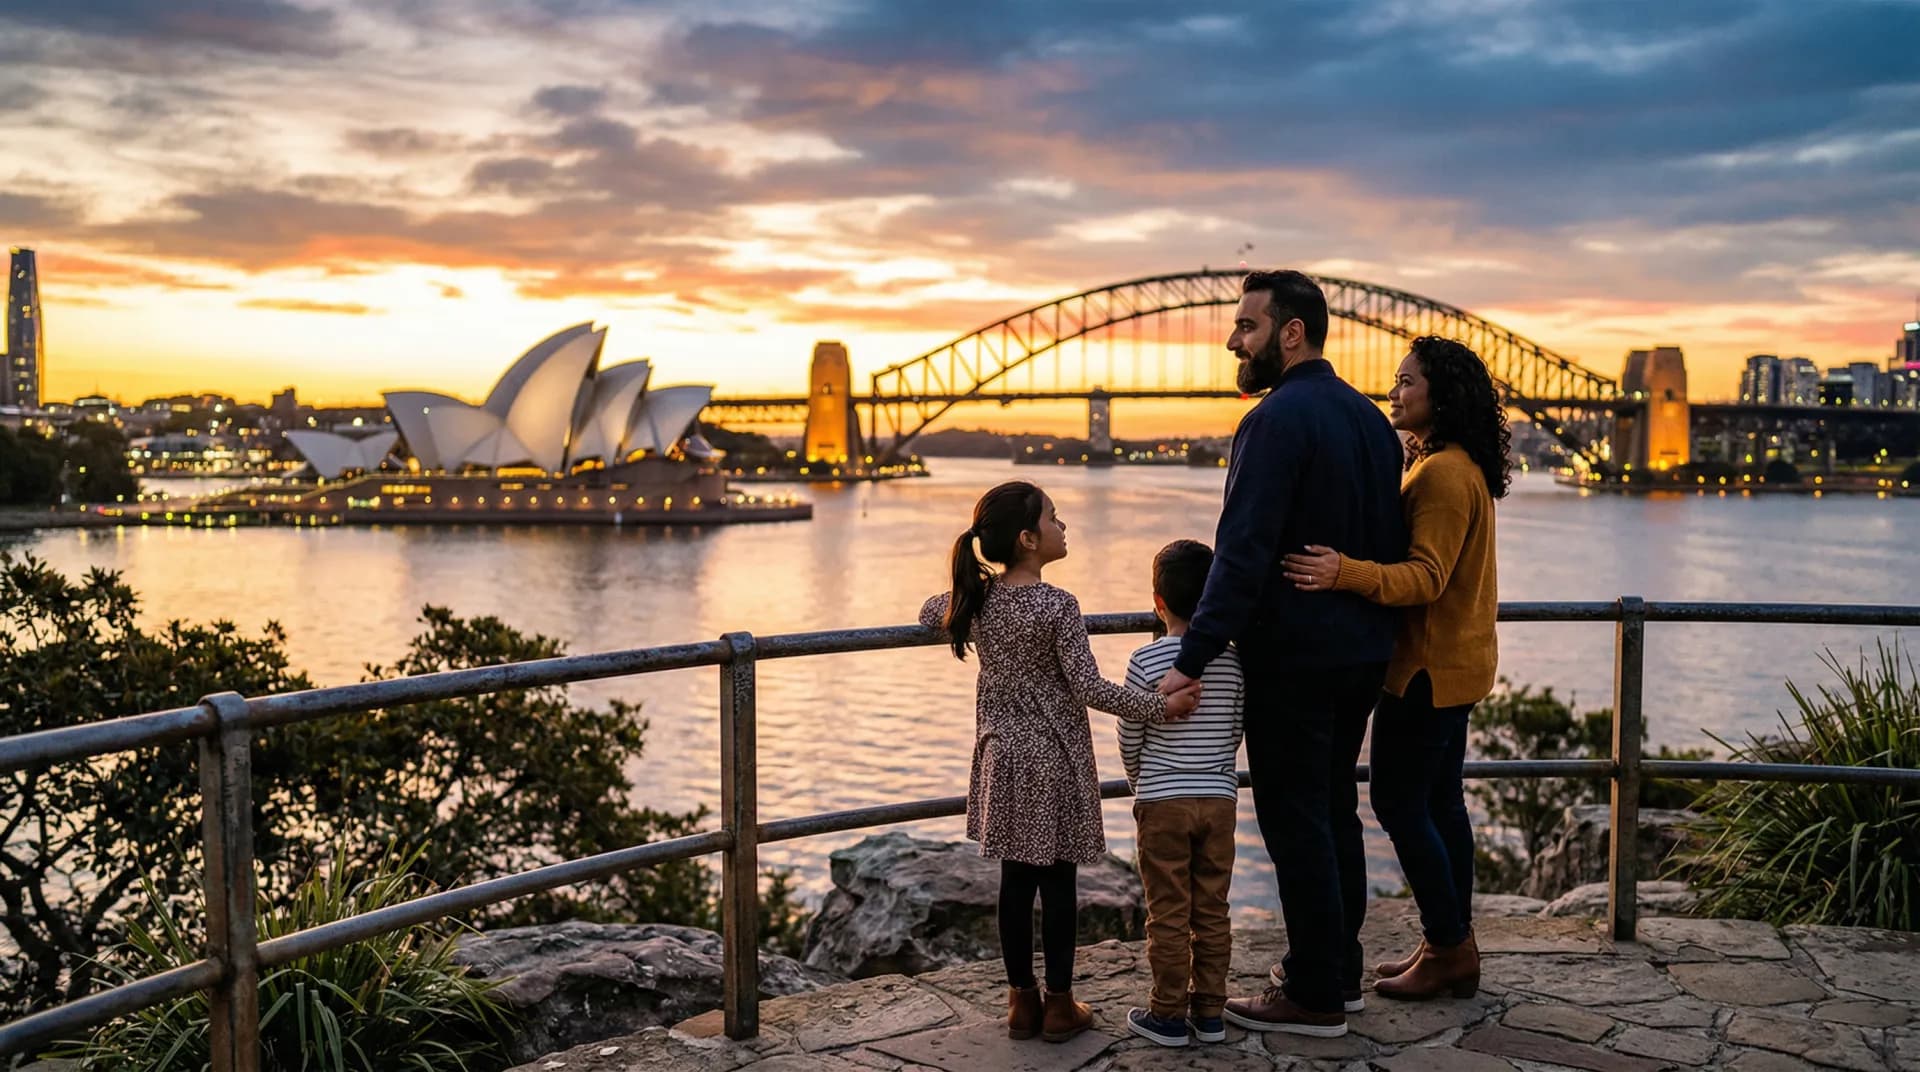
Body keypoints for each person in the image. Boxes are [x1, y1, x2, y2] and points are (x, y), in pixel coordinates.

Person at [1157, 269, 1406, 1038]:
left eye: (1246, 326)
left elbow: (1242, 551)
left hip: (1295, 656)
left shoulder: (1273, 420)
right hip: (1363, 651)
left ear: (1290, 332)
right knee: (1335, 808)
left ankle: (1315, 997)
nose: (1233, 340)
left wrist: (1190, 657)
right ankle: (1338, 970)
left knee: (1296, 819)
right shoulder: (1372, 422)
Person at [919, 480, 1202, 1043]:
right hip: (1055, 759)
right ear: (1028, 539)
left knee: (1015, 884)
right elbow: (1089, 686)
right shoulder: (1058, 605)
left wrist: (967, 589)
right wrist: (1158, 706)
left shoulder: (979, 602)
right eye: (1053, 518)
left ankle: (1020, 1004)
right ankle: (1060, 1005)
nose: (1063, 525)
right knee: (1059, 885)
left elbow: (931, 611)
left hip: (1003, 759)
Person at [1280, 335, 1509, 1001]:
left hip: (1426, 669)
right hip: (1460, 663)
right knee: (1441, 804)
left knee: (1397, 802)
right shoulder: (1460, 465)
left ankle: (1447, 947)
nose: (1394, 391)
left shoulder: (1440, 474)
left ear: (1441, 395)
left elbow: (1427, 578)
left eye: (1407, 382)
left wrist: (1340, 572)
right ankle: (1452, 942)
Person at [1118, 539, 1247, 1048]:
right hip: (1219, 798)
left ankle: (1168, 1013)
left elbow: (1131, 733)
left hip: (1162, 801)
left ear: (1158, 601)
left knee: (1168, 910)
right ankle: (1211, 1012)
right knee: (1212, 908)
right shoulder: (1234, 664)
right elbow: (1235, 731)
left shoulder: (1146, 663)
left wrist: (1140, 782)